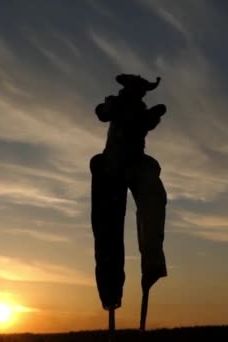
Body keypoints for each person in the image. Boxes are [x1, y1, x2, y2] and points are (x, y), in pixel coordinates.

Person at [90, 74, 168, 312]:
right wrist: (111, 107)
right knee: (107, 226)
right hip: (113, 164)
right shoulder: (118, 104)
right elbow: (102, 112)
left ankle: (152, 263)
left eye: (142, 92)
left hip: (135, 164)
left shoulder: (141, 112)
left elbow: (146, 122)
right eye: (136, 91)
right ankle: (110, 287)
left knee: (153, 200)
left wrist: (152, 115)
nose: (139, 95)